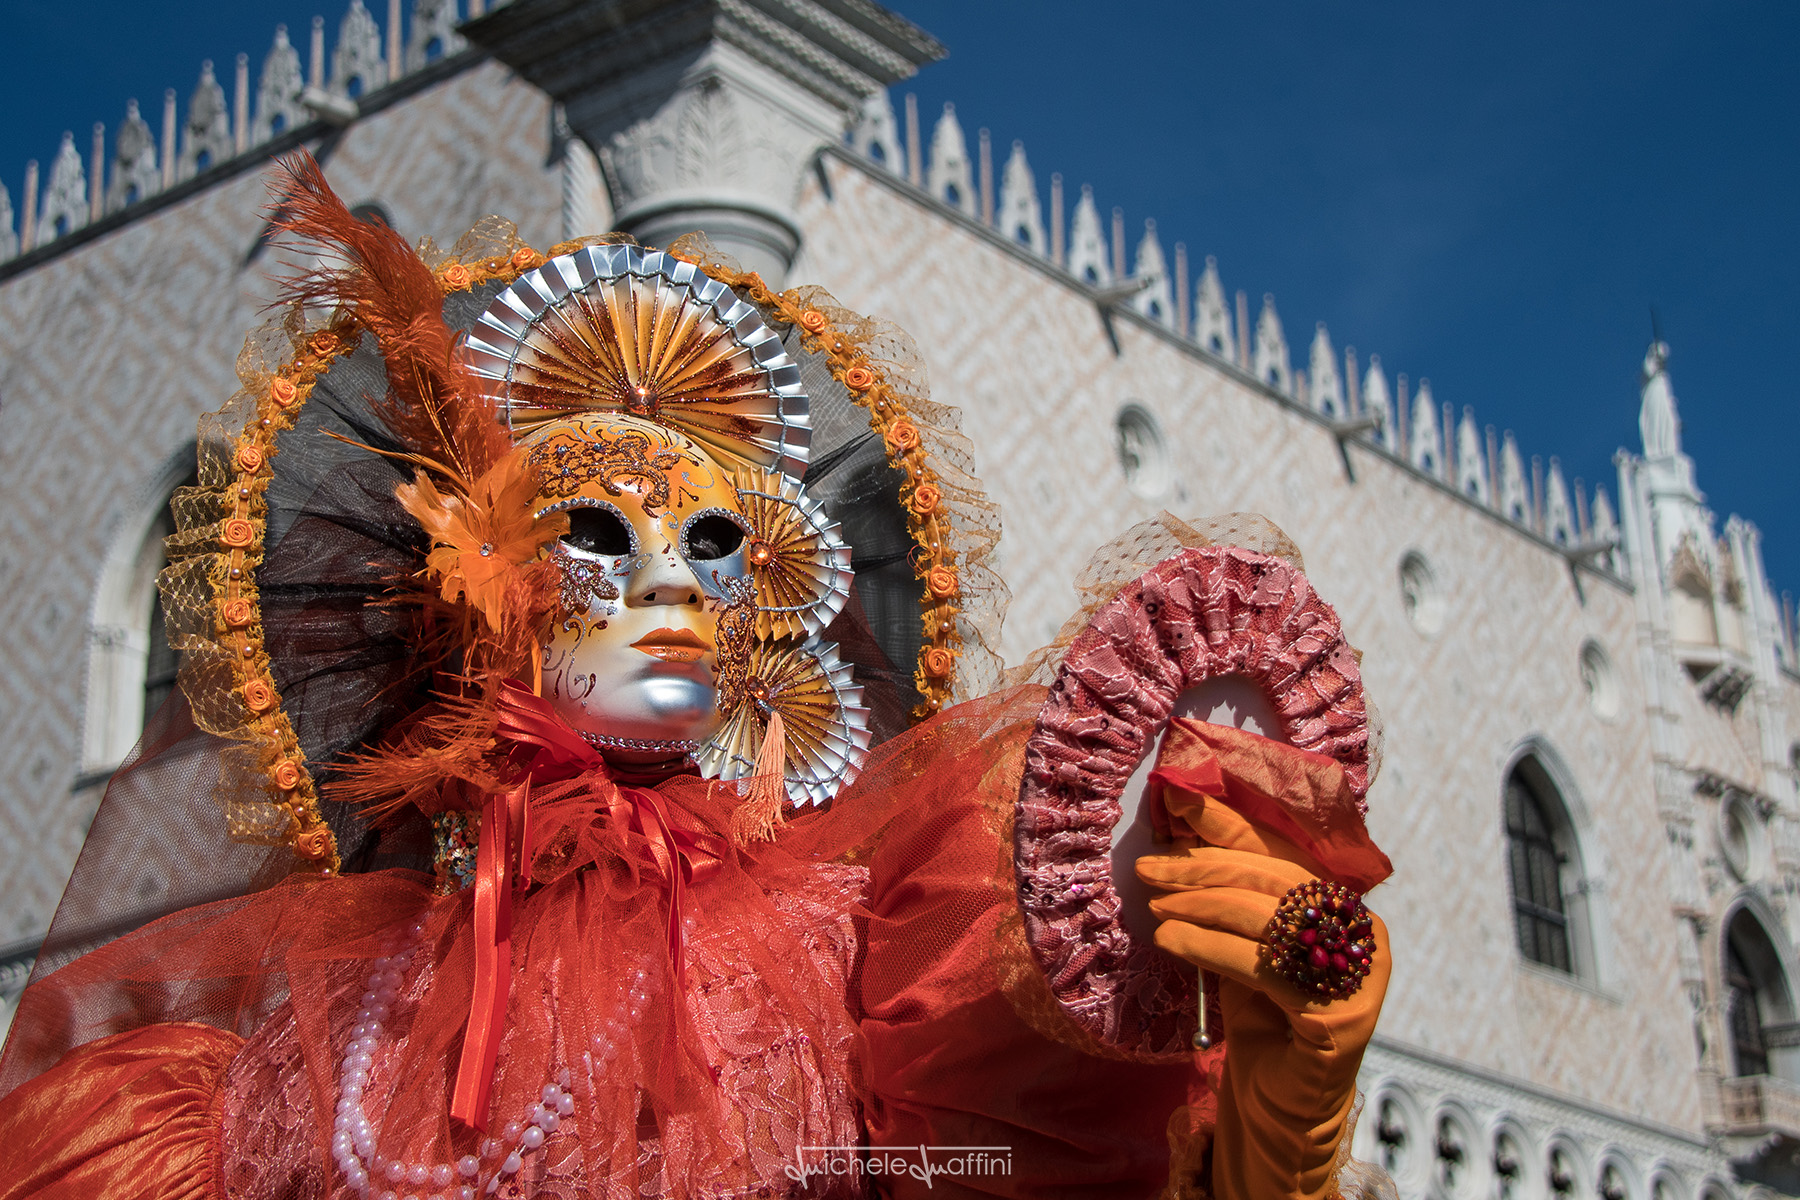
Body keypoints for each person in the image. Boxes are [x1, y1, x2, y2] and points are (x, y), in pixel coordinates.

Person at [0, 159, 1395, 1199]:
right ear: (472, 595)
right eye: (599, 535)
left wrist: (1274, 1130)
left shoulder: (864, 950)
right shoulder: (310, 1037)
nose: (676, 582)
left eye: (720, 544)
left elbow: (981, 1172)